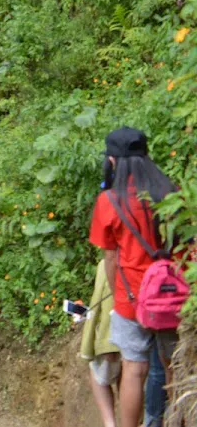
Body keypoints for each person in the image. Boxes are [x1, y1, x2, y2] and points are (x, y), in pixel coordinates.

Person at [89, 127, 179, 427]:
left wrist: (119, 299)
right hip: (173, 297)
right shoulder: (172, 193)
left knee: (134, 370)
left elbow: (111, 257)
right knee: (173, 368)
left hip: (132, 299)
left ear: (112, 161)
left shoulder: (110, 201)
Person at [80, 259, 119, 427]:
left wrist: (97, 341)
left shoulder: (107, 263)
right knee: (130, 375)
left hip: (113, 334)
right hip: (144, 334)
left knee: (97, 373)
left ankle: (110, 423)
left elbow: (100, 305)